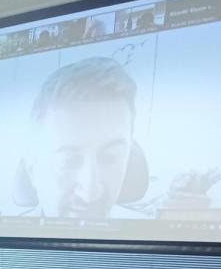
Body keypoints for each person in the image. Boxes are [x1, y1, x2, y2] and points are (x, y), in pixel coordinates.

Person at [15, 56, 145, 219]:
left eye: (111, 157)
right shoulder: (0, 237)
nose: (90, 193)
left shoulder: (156, 237)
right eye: (69, 160)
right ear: (32, 168)